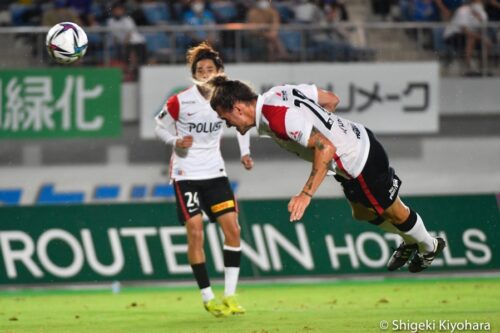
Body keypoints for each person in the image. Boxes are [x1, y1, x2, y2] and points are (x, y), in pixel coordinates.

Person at [208, 76, 446, 273]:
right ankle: (410, 240)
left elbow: (325, 148)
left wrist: (305, 194)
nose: (226, 124)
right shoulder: (278, 93)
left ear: (237, 108)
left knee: (394, 212)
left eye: (224, 117)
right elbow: (331, 100)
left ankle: (428, 246)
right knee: (362, 213)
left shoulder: (277, 119)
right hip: (356, 146)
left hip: (358, 161)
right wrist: (329, 128)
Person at [154, 43, 253, 317]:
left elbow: (242, 124)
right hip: (185, 175)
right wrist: (175, 141)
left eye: (210, 69)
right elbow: (158, 125)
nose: (205, 73)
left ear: (219, 71)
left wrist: (245, 153)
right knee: (195, 232)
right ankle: (207, 295)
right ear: (194, 74)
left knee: (233, 230)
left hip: (215, 173)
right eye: (200, 70)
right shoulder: (179, 100)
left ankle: (230, 296)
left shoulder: (225, 99)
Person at [443, 0, 492, 74]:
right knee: (471, 38)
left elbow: (483, 28)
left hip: (470, 35)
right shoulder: (463, 10)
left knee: (487, 43)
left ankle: (482, 68)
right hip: (453, 35)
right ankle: (468, 68)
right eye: (476, 2)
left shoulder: (482, 13)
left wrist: (479, 18)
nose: (478, 4)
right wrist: (482, 38)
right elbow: (464, 30)